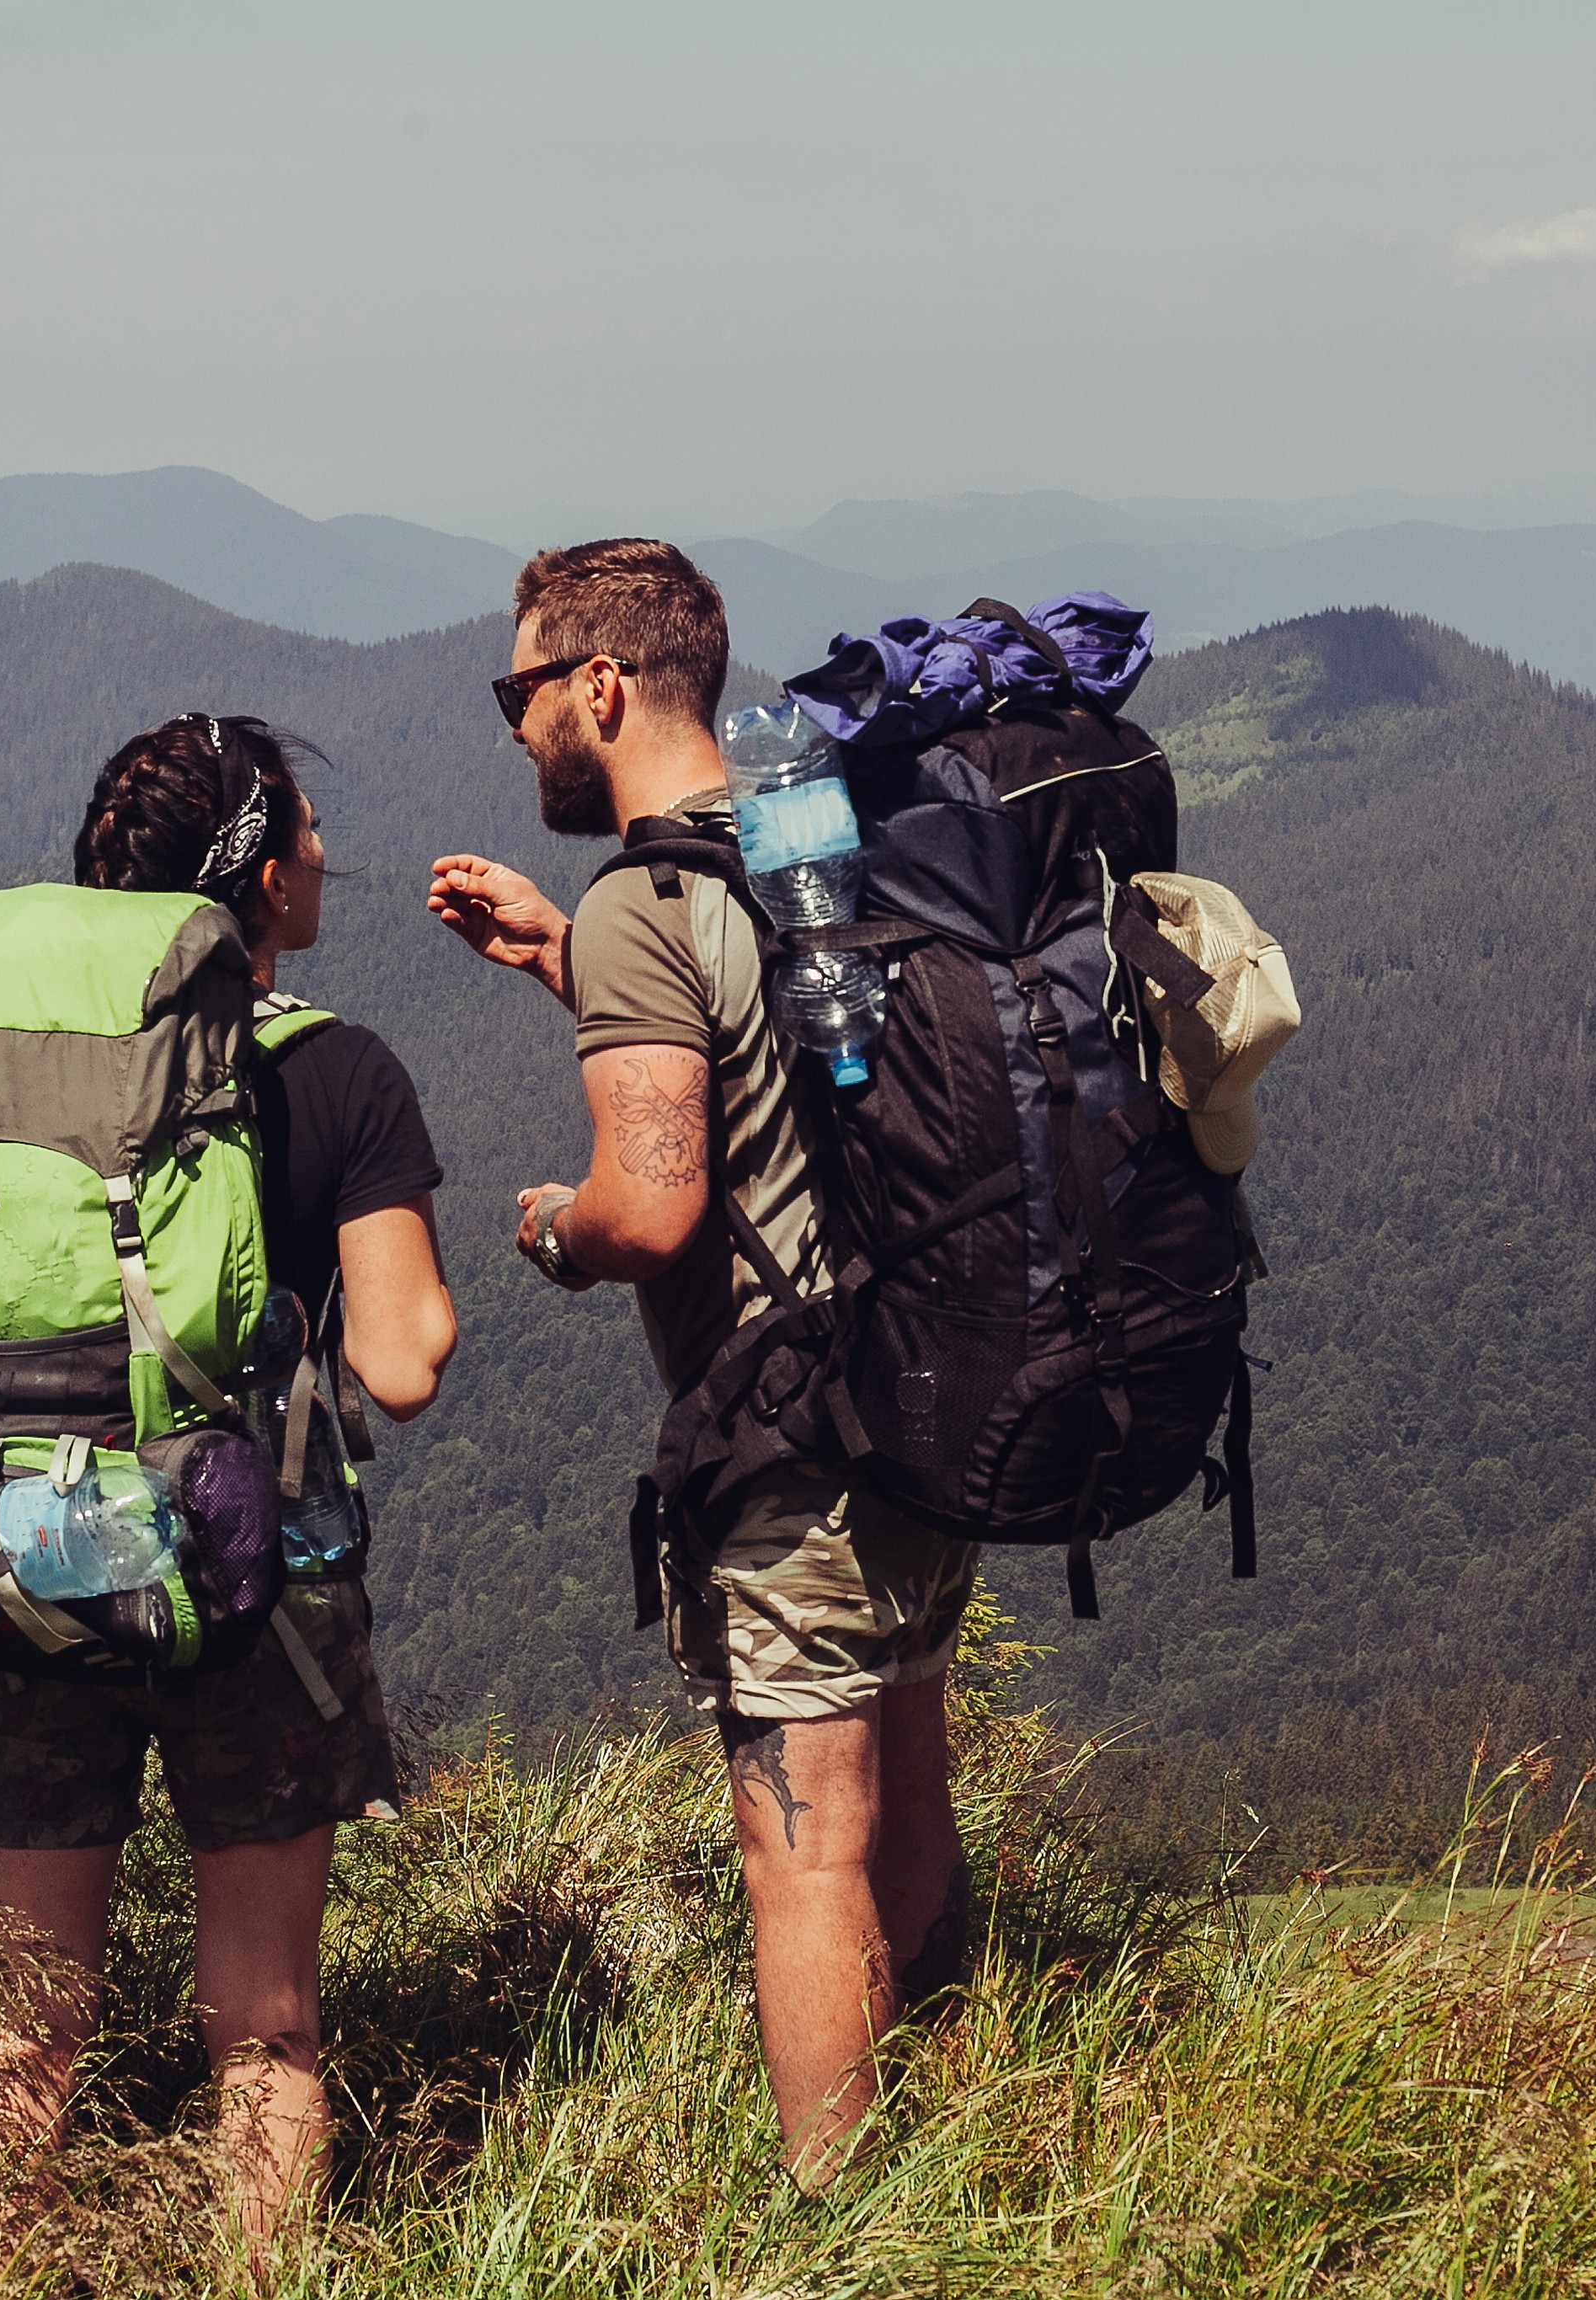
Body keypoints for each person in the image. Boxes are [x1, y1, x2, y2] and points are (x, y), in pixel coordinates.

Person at [426, 541, 969, 2184]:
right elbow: (784, 1071)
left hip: (785, 1440)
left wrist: (547, 1228)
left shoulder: (643, 907)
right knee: (912, 1792)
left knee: (802, 1860)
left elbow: (653, 1210)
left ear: (598, 685)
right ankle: (957, 2142)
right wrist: (555, 963)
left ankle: (844, 2236)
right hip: (924, 1402)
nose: (514, 726)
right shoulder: (807, 842)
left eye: (517, 690)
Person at [0, 712, 456, 2254]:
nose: (322, 859)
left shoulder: (0, 1070)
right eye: (304, 832)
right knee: (267, 2021)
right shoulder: (338, 1072)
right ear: (260, 877)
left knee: (25, 2029)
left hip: (23, 1564)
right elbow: (406, 1358)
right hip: (255, 1604)